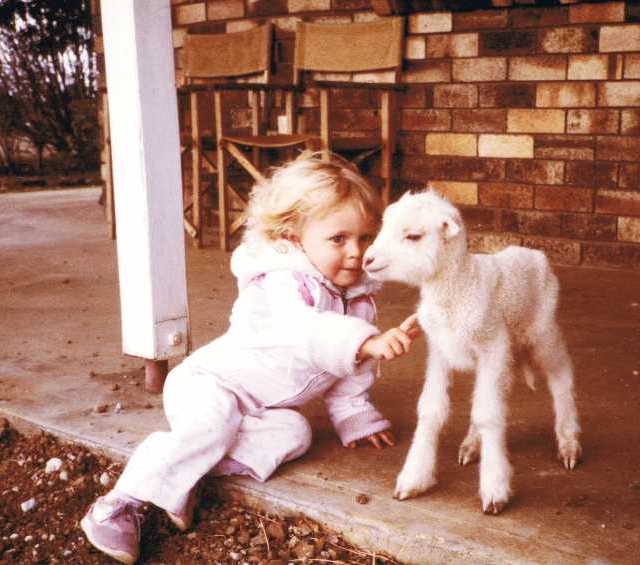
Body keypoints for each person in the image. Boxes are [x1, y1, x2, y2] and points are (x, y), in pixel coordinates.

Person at [81, 151, 419, 564]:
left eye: (365, 238)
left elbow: (349, 370)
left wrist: (355, 417)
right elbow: (302, 330)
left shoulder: (357, 297)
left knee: (295, 433)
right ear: (294, 236)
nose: (356, 251)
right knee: (212, 426)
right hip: (207, 384)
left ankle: (187, 475)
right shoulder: (280, 282)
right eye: (339, 239)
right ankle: (118, 505)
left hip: (260, 406)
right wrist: (365, 343)